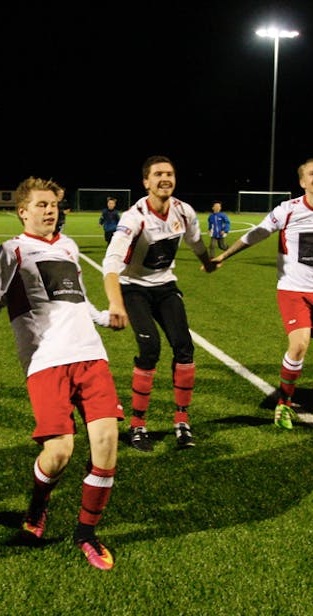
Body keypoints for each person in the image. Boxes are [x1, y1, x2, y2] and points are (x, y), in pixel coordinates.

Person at [0, 176, 124, 572]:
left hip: (91, 356)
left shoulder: (68, 246)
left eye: (54, 205)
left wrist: (105, 317)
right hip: (46, 362)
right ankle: (37, 507)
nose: (50, 211)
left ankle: (86, 533)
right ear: (22, 211)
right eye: (41, 205)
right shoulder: (11, 250)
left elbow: (78, 299)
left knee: (107, 444)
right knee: (59, 453)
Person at [210, 158, 313, 437]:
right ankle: (283, 404)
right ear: (302, 181)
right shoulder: (288, 210)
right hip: (293, 290)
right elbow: (257, 233)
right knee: (299, 346)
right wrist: (225, 255)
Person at [103, 156, 216, 452]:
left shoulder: (184, 211)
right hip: (133, 288)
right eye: (158, 174)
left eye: (169, 173)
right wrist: (116, 303)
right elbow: (111, 262)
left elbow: (195, 241)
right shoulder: (134, 217)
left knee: (184, 347)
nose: (165, 178)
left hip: (165, 286)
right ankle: (137, 424)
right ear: (146, 182)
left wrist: (207, 262)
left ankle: (182, 421)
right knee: (150, 348)